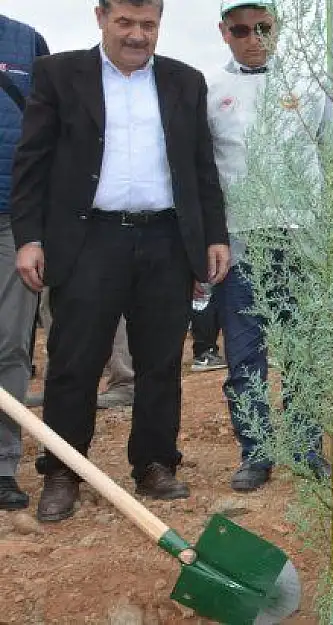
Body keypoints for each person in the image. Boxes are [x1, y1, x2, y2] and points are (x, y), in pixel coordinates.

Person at [11, 0, 232, 522]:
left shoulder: (185, 81)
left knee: (159, 362)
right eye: (125, 23)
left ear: (160, 24)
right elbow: (32, 161)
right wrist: (30, 238)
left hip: (166, 241)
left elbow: (202, 166)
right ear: (101, 17)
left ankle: (155, 462)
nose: (137, 35)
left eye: (148, 24)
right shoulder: (60, 75)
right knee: (73, 362)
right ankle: (64, 471)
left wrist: (214, 235)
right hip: (89, 242)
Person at [206, 0, 331, 492]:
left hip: (301, 239)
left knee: (302, 352)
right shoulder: (211, 92)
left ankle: (304, 449)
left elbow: (330, 154)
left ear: (277, 27)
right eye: (241, 30)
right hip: (242, 243)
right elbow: (206, 173)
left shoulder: (310, 84)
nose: (254, 38)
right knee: (244, 354)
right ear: (224, 32)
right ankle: (255, 453)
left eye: (263, 27)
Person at [0, 13, 48, 512]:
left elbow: (49, 125)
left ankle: (1, 465)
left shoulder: (27, 42)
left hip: (11, 217)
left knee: (10, 344)